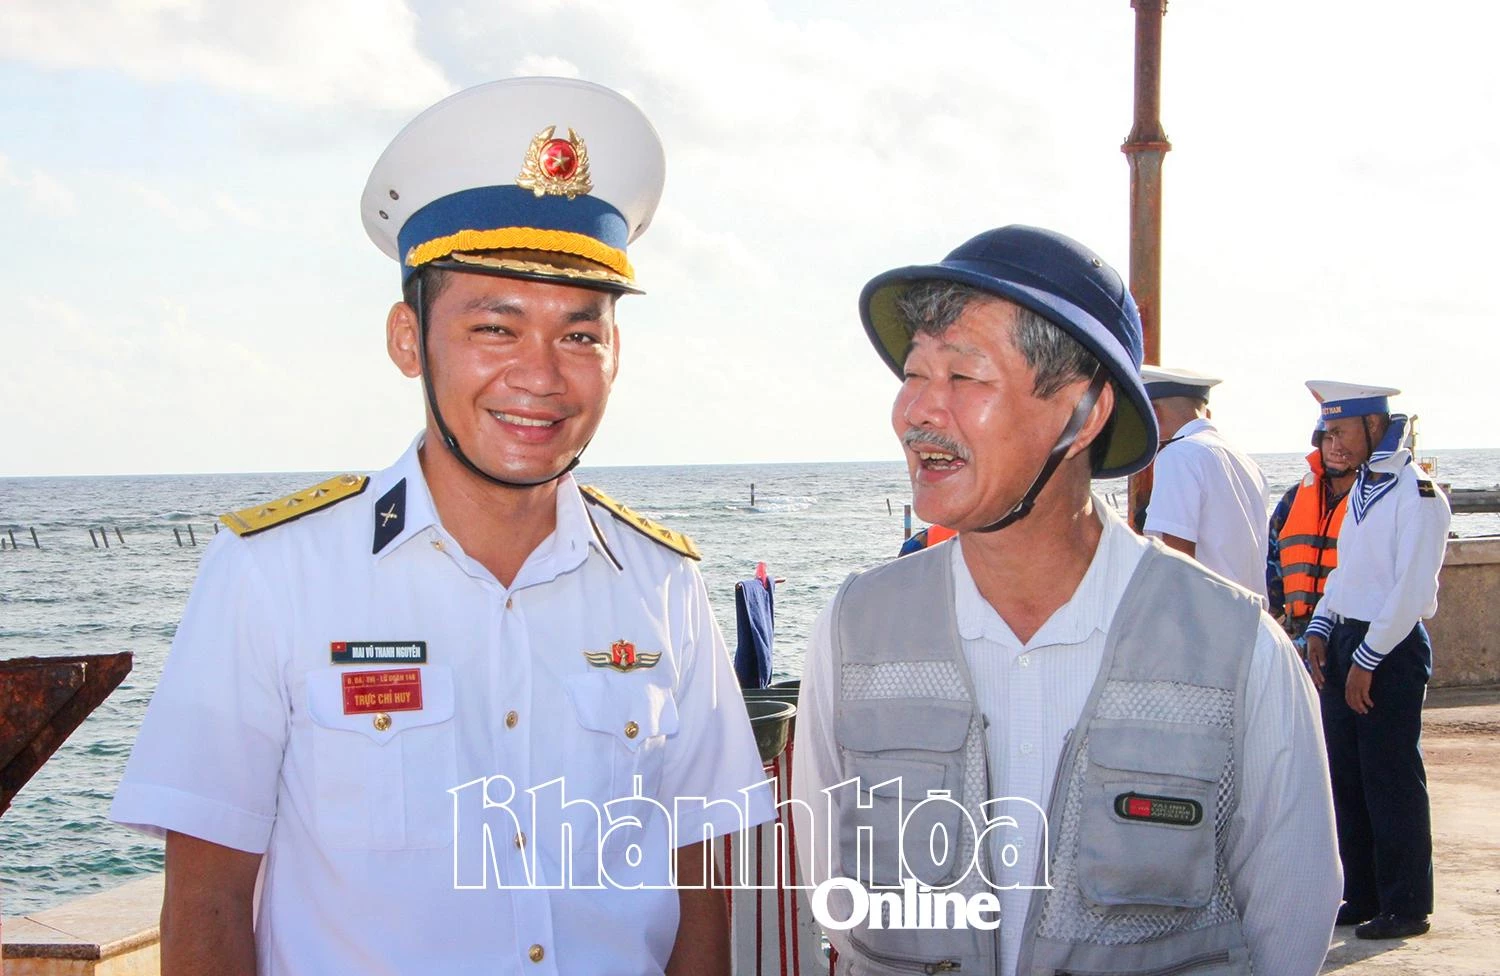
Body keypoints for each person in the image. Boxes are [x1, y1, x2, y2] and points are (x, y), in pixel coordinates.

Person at [110, 78, 771, 976]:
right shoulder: (275, 572)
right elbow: (208, 900)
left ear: (617, 355)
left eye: (580, 336)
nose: (541, 376)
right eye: (496, 328)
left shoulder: (662, 584)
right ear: (407, 339)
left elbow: (696, 889)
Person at [792, 225, 1340, 976]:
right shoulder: (853, 630)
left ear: (1082, 414)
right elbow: (838, 899)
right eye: (914, 373)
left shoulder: (1239, 651)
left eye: (965, 376)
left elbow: (1288, 929)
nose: (917, 411)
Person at [1303, 380, 1450, 941]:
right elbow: (1349, 572)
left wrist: (1367, 659)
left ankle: (1406, 904)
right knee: (1349, 775)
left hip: (1389, 647)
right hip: (1350, 638)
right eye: (1327, 433)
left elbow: (1411, 590)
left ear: (1373, 426)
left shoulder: (1418, 495)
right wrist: (1322, 625)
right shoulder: (1365, 486)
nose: (1332, 444)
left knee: (1391, 778)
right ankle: (1362, 891)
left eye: (1340, 431)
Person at [1140, 366, 1271, 601]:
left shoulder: (1178, 455)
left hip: (1206, 612)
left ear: (1154, 413)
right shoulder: (1246, 462)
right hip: (1251, 612)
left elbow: (1176, 556)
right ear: (1206, 412)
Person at [1266, 418, 1356, 640]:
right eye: (1328, 438)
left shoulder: (1372, 500)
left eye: (1342, 438)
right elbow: (1270, 559)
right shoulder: (1293, 498)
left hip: (1350, 632)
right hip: (1297, 633)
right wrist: (1272, 618)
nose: (1335, 447)